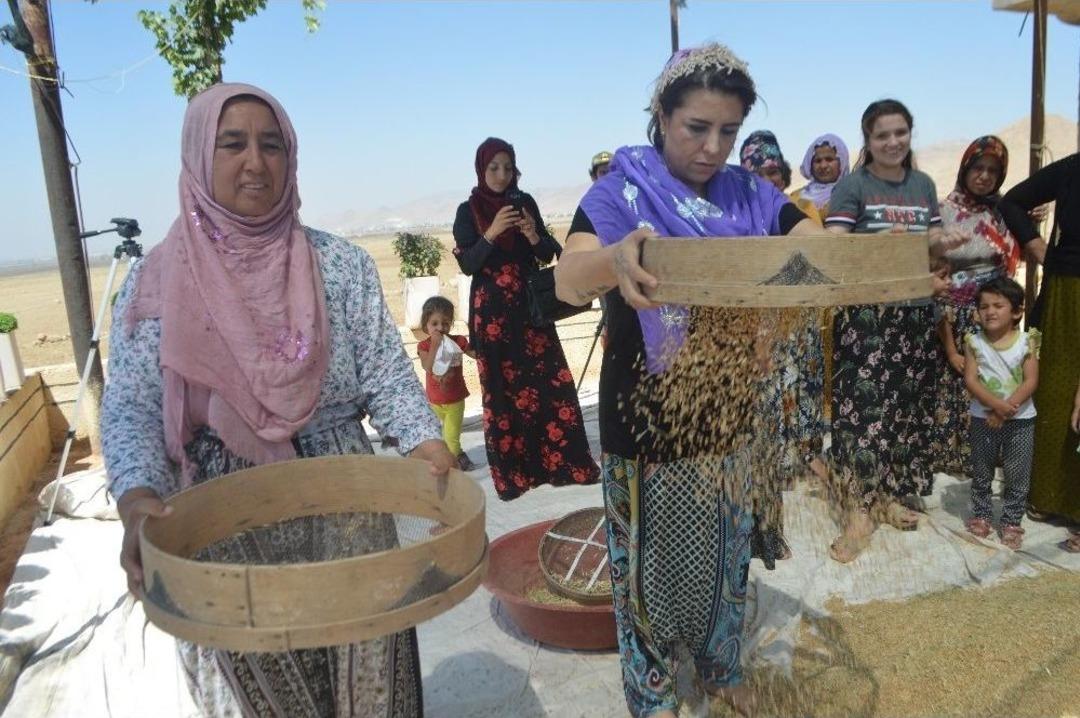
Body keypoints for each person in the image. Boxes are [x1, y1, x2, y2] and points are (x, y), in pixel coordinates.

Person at [101, 83, 453, 717]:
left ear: (291, 159)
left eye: (272, 145)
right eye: (231, 144)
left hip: (348, 503)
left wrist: (427, 444)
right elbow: (131, 409)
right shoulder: (158, 283)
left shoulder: (338, 265)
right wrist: (137, 500)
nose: (255, 162)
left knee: (375, 682)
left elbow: (386, 373)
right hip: (222, 519)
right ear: (197, 157)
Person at [553, 43, 820, 718]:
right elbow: (565, 276)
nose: (711, 148)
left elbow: (814, 238)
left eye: (727, 132)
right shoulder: (621, 192)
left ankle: (720, 667)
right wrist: (615, 259)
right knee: (643, 571)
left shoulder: (750, 194)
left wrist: (887, 253)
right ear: (661, 114)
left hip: (728, 407)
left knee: (725, 556)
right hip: (644, 413)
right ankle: (653, 695)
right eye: (695, 128)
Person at [823, 98, 964, 563]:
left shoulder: (922, 184)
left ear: (910, 134)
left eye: (900, 133)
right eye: (882, 135)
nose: (893, 142)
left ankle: (891, 497)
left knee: (905, 409)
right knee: (863, 414)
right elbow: (835, 249)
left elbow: (932, 244)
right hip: (867, 317)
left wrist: (947, 242)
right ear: (868, 141)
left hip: (915, 314)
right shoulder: (852, 186)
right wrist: (879, 246)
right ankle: (859, 510)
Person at [452, 137, 599, 500]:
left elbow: (550, 253)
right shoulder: (467, 211)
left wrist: (533, 234)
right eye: (494, 168)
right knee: (502, 393)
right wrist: (491, 232)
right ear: (481, 170)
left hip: (531, 308)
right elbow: (469, 264)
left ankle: (566, 465)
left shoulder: (525, 202)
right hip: (492, 315)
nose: (502, 175)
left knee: (549, 383)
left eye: (508, 168)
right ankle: (515, 476)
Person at [739, 129, 827, 568]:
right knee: (758, 443)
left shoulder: (794, 214)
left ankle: (769, 531)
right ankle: (753, 531)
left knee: (782, 444)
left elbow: (819, 264)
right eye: (760, 173)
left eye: (776, 172)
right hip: (755, 348)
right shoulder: (734, 223)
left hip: (797, 339)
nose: (770, 181)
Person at [998, 152, 1080, 552]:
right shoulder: (1072, 168)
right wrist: (1038, 246)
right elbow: (1010, 200)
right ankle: (1049, 498)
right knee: (1054, 391)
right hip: (1068, 292)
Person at [932, 136, 1020, 476]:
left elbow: (1015, 253)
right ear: (965, 168)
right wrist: (951, 347)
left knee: (993, 384)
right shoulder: (943, 213)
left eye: (993, 171)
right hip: (954, 319)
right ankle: (951, 457)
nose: (984, 176)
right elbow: (935, 279)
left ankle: (987, 454)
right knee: (953, 387)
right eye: (978, 167)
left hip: (994, 318)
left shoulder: (1001, 214)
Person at [962, 278, 1039, 550]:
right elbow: (971, 380)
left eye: (998, 305)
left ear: (1017, 311)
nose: (990, 311)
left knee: (1017, 473)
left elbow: (1030, 381)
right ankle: (982, 515)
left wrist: (1005, 411)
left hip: (1020, 421)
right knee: (981, 470)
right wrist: (995, 405)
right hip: (984, 419)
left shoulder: (1027, 341)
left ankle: (1010, 522)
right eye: (984, 306)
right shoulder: (974, 342)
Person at [417, 295, 477, 471]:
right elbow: (428, 368)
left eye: (445, 323)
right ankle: (459, 456)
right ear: (425, 325)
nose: (440, 328)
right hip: (434, 401)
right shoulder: (424, 346)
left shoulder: (457, 341)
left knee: (451, 437)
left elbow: (475, 355)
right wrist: (435, 345)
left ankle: (455, 464)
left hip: (455, 400)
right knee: (437, 437)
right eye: (434, 324)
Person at [739, 129, 821, 223]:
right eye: (757, 176)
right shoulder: (736, 214)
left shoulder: (804, 207)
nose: (766, 181)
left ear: (782, 177)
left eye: (772, 172)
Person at [789, 133, 850, 220]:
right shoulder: (795, 196)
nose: (823, 166)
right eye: (818, 161)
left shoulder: (850, 195)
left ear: (842, 162)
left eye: (829, 159)